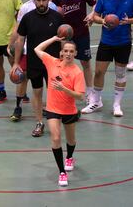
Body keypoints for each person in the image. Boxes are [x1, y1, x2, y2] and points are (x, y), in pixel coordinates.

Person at [82, 0, 133, 116]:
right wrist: (103, 20)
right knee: (99, 73)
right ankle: (95, 102)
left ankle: (117, 105)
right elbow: (95, 16)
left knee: (120, 74)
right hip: (106, 42)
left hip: (123, 42)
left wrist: (130, 20)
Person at [11, 0, 64, 137]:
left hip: (53, 63)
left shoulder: (57, 17)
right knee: (37, 92)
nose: (41, 3)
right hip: (34, 62)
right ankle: (39, 122)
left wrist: (63, 61)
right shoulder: (28, 18)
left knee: (54, 92)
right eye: (38, 0)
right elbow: (20, 40)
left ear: (48, 0)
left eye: (44, 0)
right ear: (34, 1)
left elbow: (63, 40)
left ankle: (55, 121)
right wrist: (16, 63)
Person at [34, 36, 85, 186]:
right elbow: (37, 49)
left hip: (69, 111)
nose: (68, 54)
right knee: (56, 138)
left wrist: (64, 89)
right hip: (53, 109)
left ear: (75, 53)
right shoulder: (52, 62)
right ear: (61, 53)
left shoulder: (77, 72)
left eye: (71, 51)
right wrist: (54, 38)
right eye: (65, 51)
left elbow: (80, 96)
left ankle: (69, 156)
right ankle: (62, 172)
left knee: (71, 140)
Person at [7, 0, 57, 122]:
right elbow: (18, 30)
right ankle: (18, 107)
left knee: (51, 84)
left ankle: (50, 108)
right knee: (23, 79)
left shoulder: (52, 7)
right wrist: (10, 44)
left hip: (48, 54)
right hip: (28, 52)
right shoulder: (25, 8)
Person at [52, 0, 96, 102]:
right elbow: (53, 9)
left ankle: (90, 93)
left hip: (82, 32)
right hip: (65, 35)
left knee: (86, 63)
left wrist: (92, 14)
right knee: (63, 63)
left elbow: (95, 4)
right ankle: (64, 90)